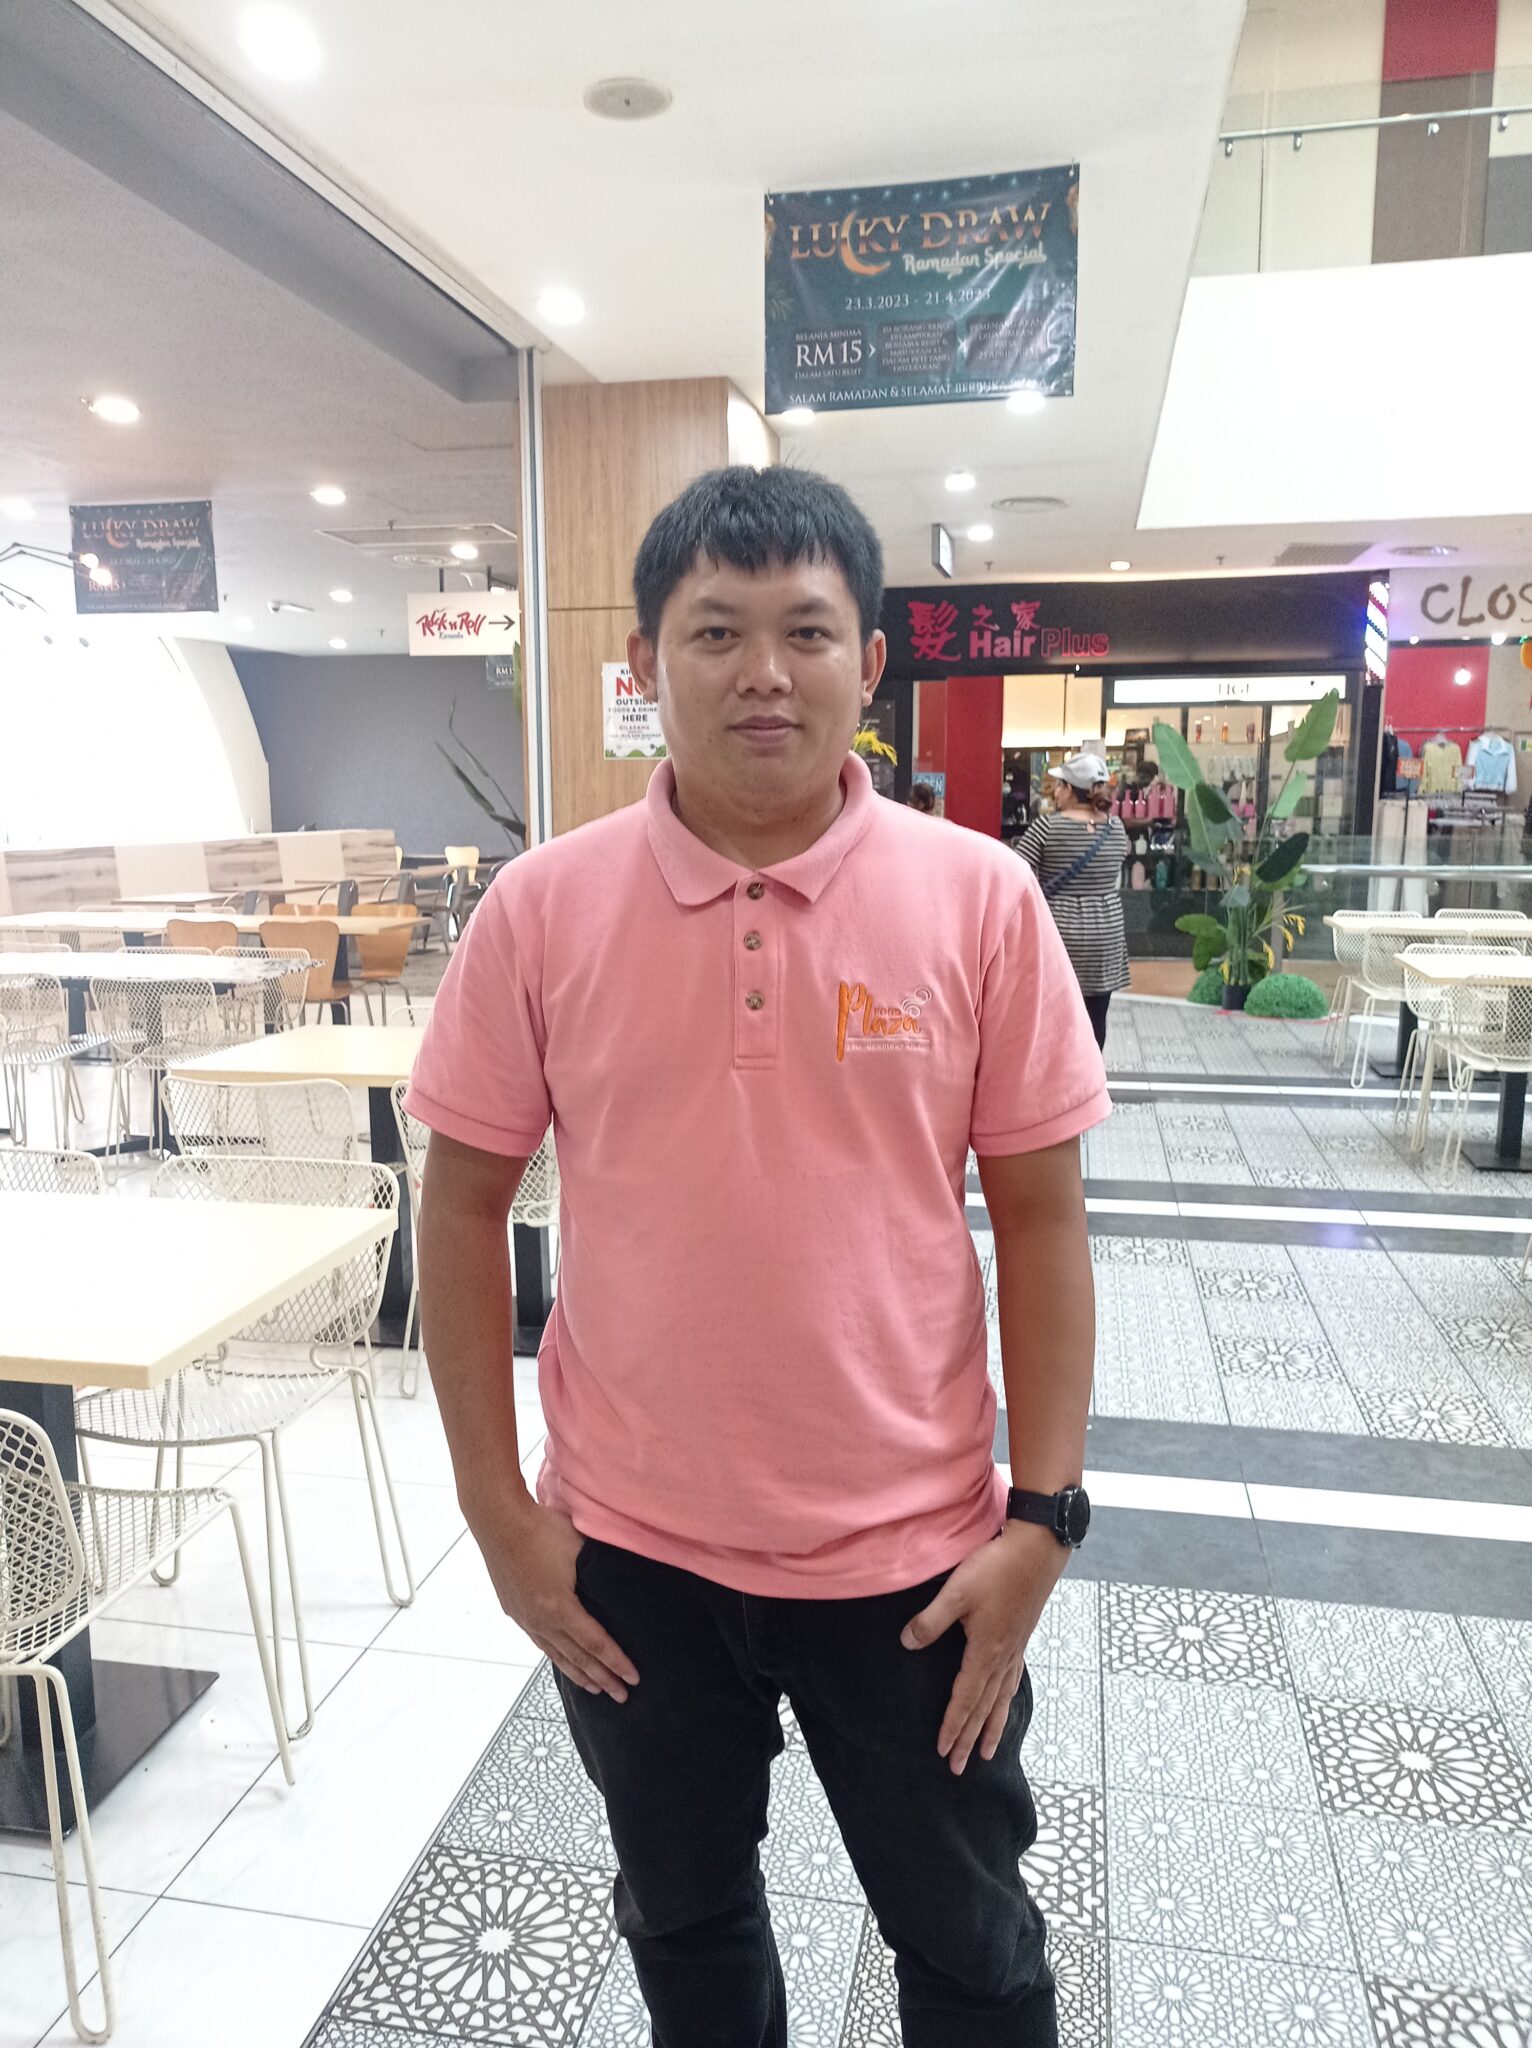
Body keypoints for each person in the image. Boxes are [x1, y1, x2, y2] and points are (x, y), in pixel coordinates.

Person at [406, 465, 1108, 2048]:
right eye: (715, 632)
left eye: (807, 630)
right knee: (687, 1928)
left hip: (913, 1564)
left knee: (973, 1949)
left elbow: (1043, 1221)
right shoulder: (541, 910)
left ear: (872, 663)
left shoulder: (981, 900)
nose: (763, 673)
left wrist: (1045, 1518)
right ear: (644, 664)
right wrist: (500, 1517)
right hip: (631, 1563)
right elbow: (457, 1209)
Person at [1016, 754, 1129, 1050]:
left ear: (1070, 789)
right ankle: (1091, 1072)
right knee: (1097, 1016)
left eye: (1059, 785)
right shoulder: (1116, 828)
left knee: (1053, 1016)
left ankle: (1056, 1073)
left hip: (1060, 931)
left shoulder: (1046, 827)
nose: (1055, 792)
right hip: (1106, 933)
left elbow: (1014, 872)